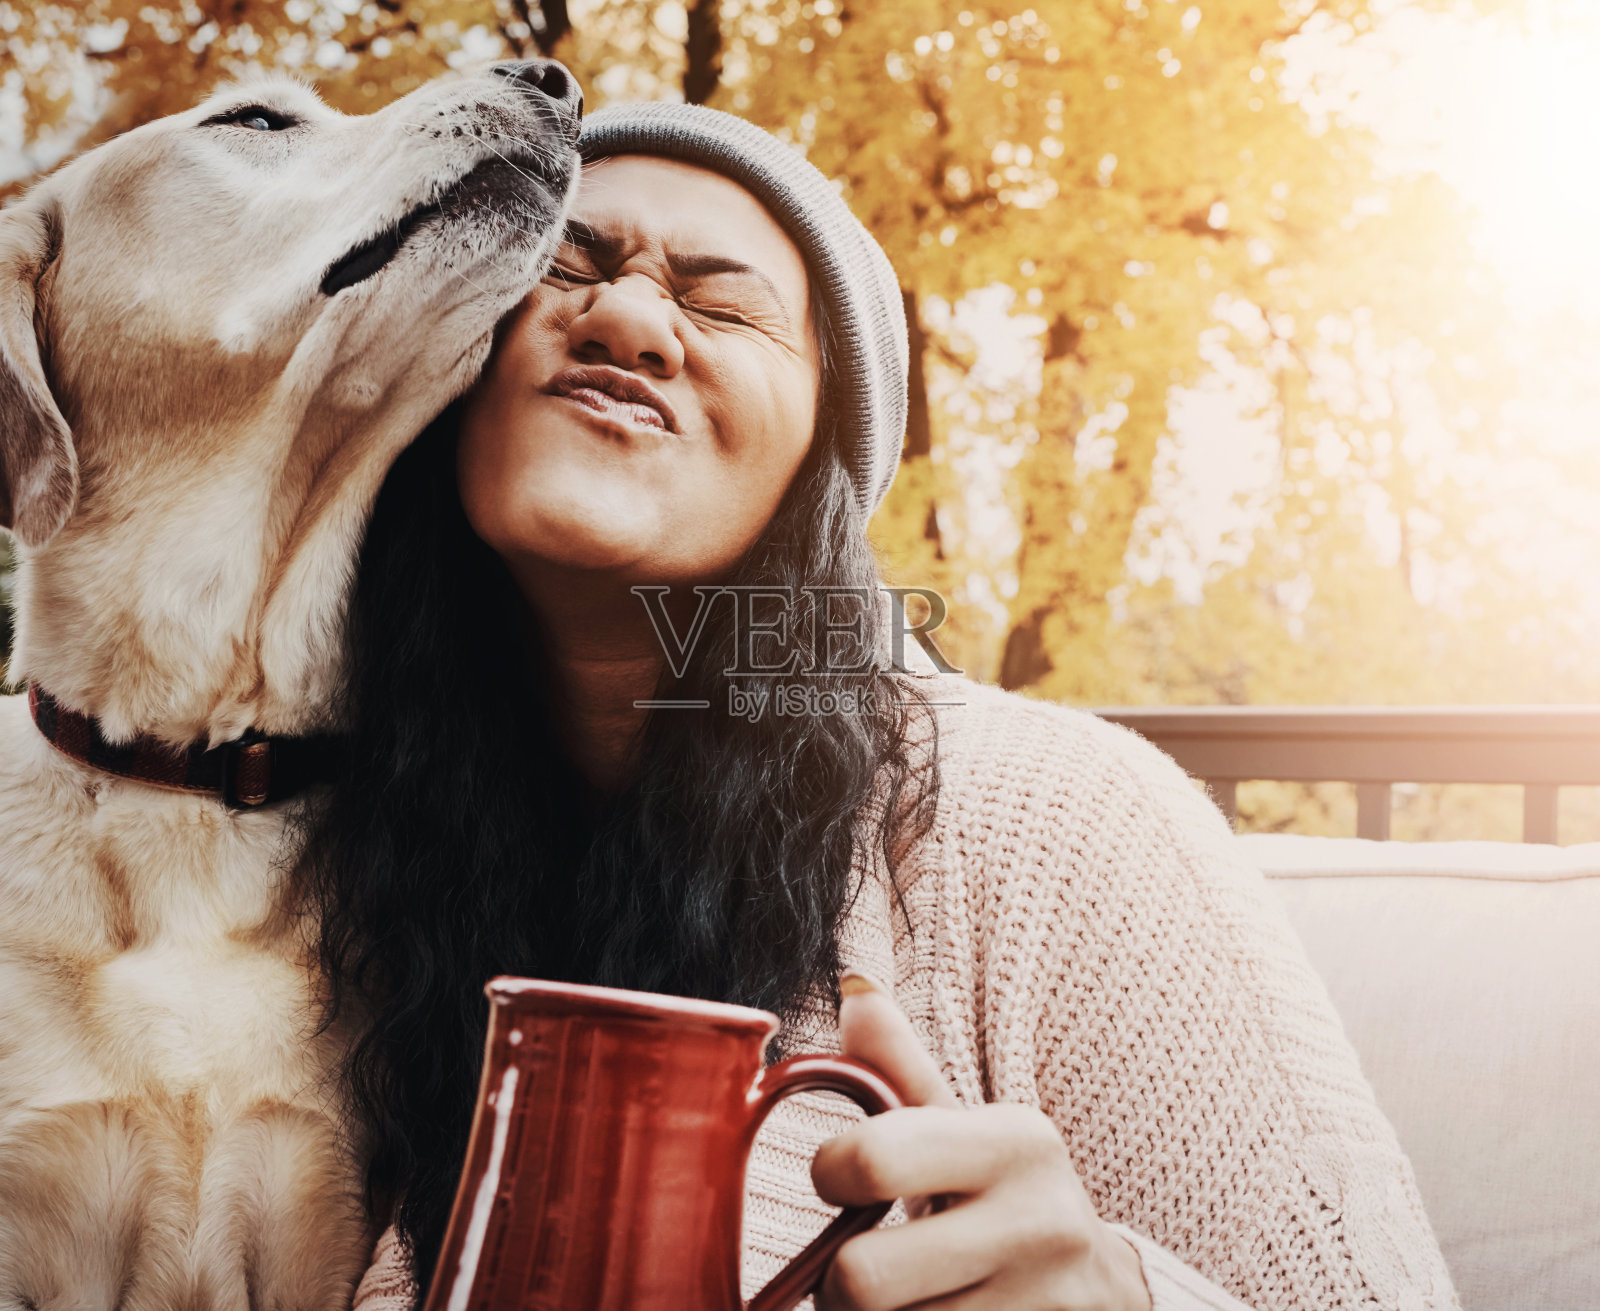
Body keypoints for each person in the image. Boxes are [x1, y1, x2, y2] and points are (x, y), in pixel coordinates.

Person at [306, 102, 1459, 1311]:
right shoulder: (295, 841)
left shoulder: (1047, 820)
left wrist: (1123, 1296)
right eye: (568, 266)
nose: (629, 318)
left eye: (718, 303)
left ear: (821, 458)